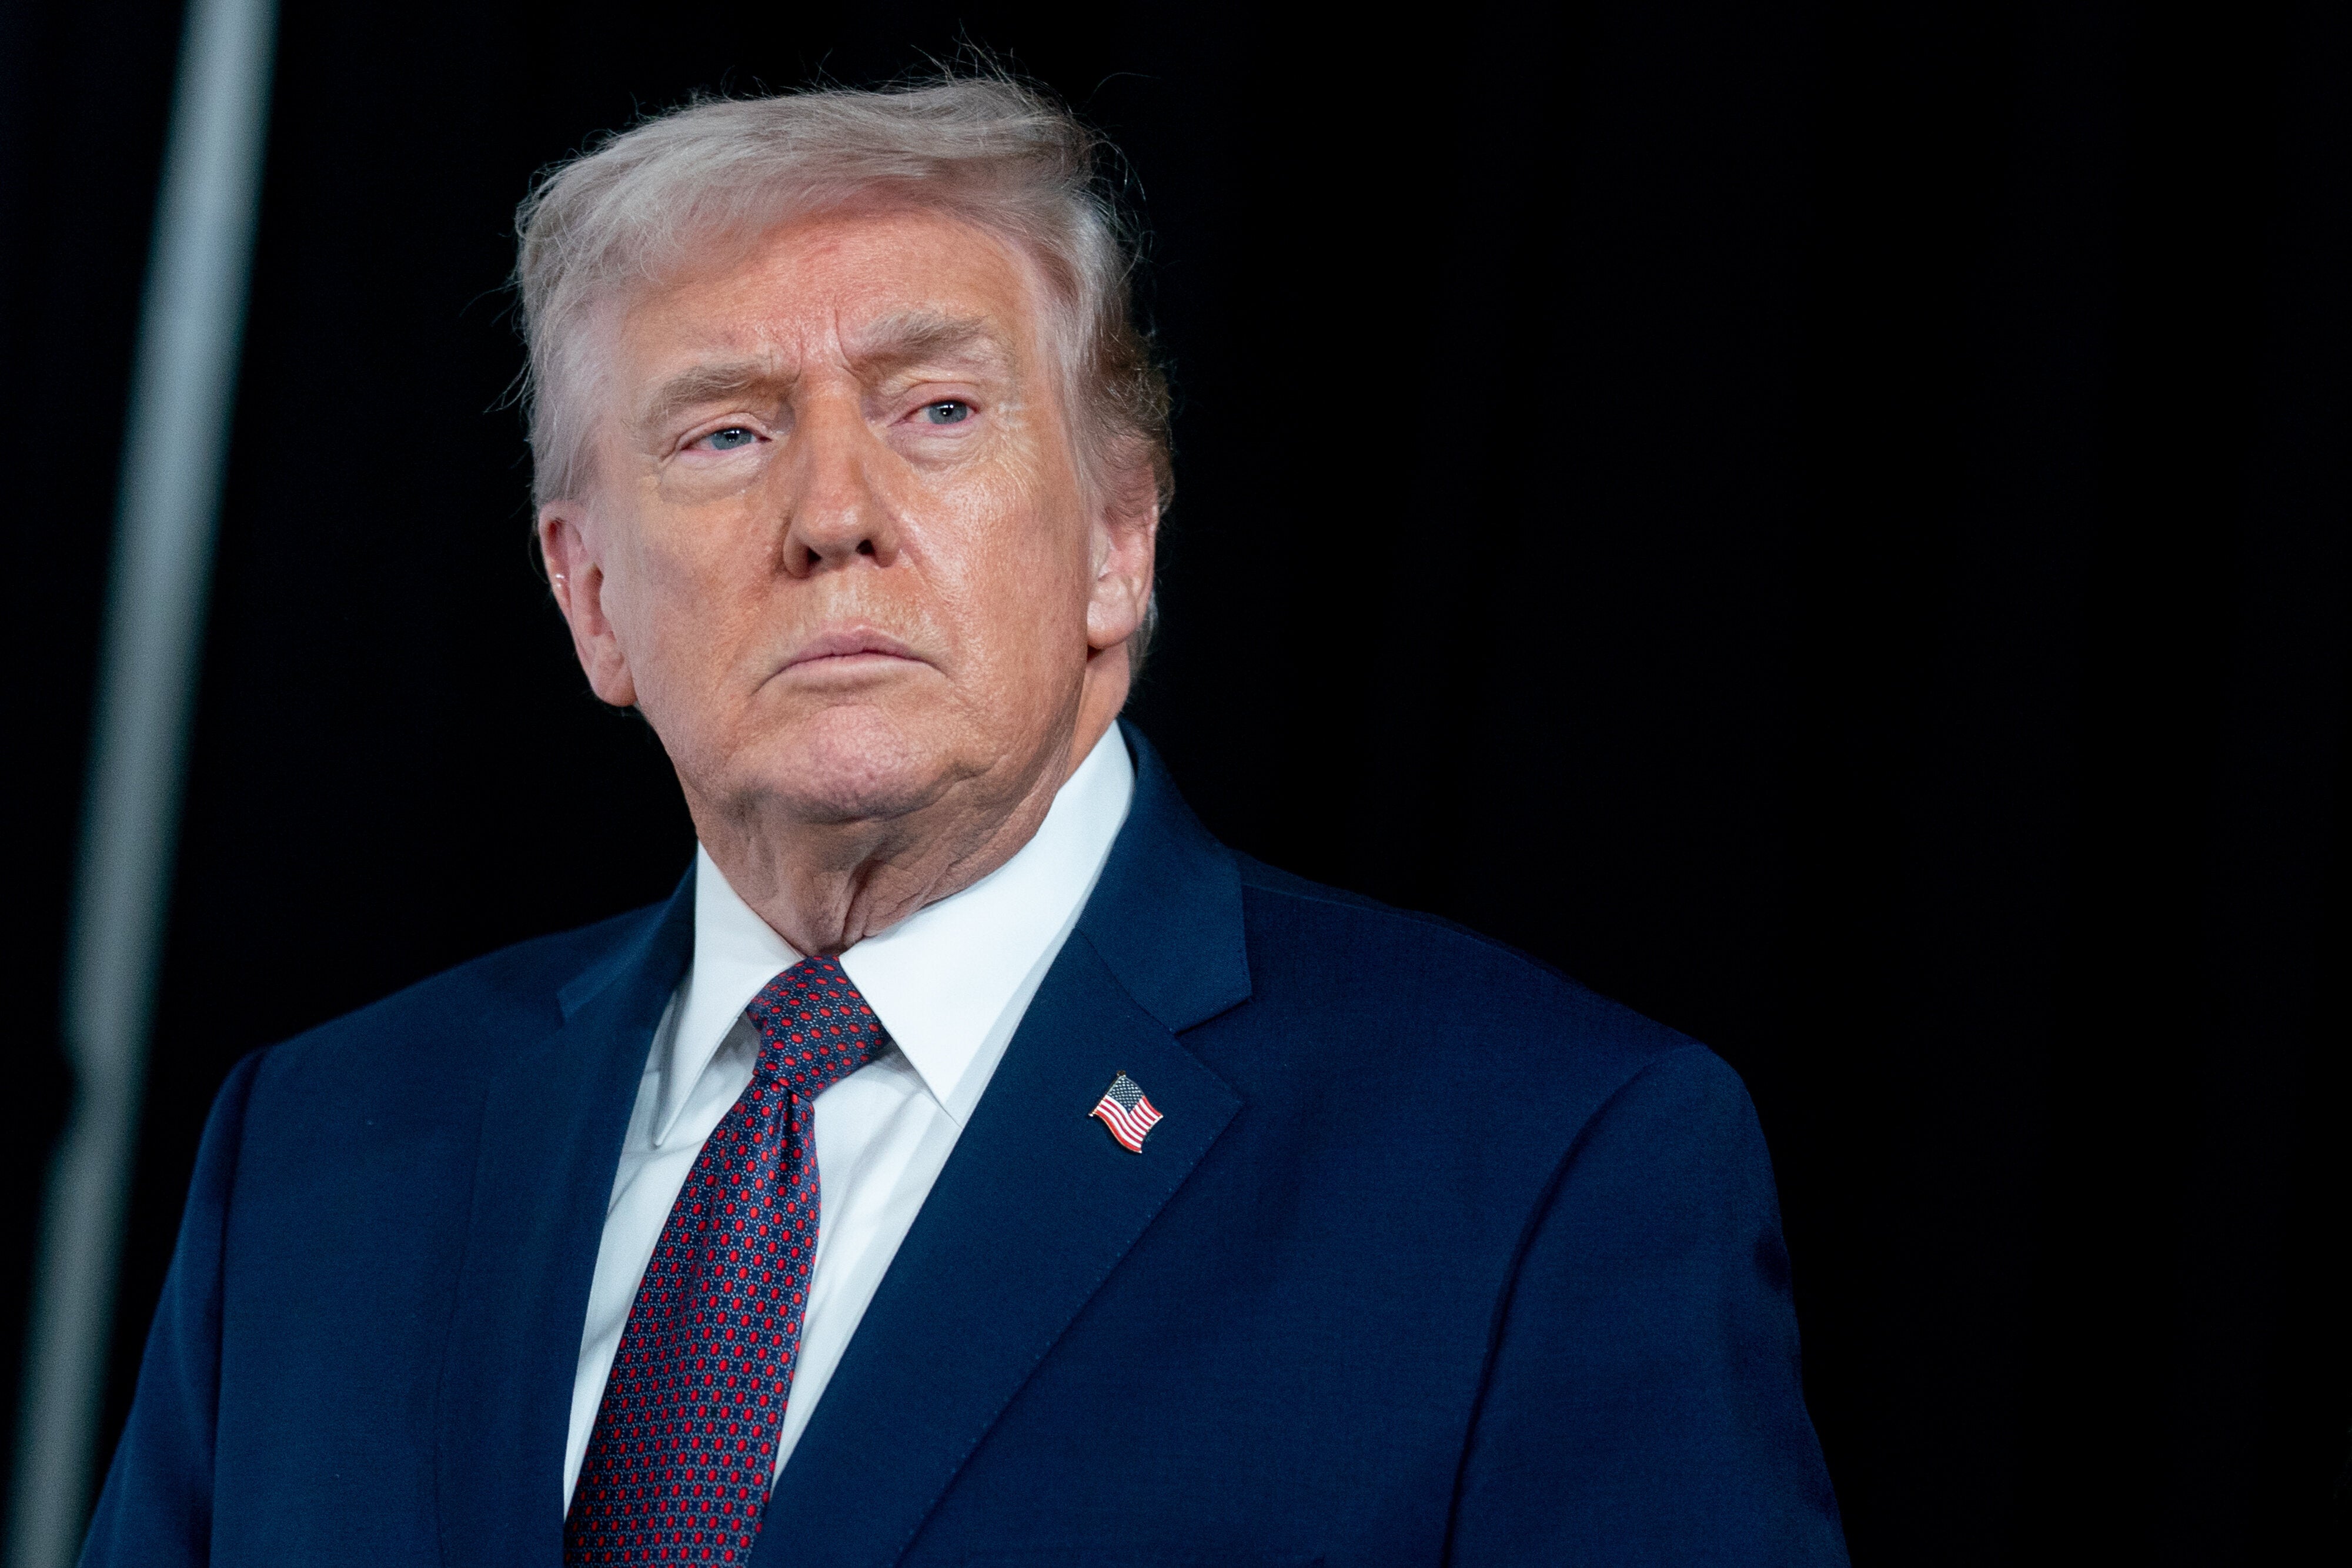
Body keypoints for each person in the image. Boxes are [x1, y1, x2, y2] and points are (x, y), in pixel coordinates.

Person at [83, 75, 1848, 1566]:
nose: (833, 511)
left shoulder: (1546, 1168)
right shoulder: (316, 1152)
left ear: (1117, 540)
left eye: (936, 410)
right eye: (721, 433)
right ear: (589, 595)